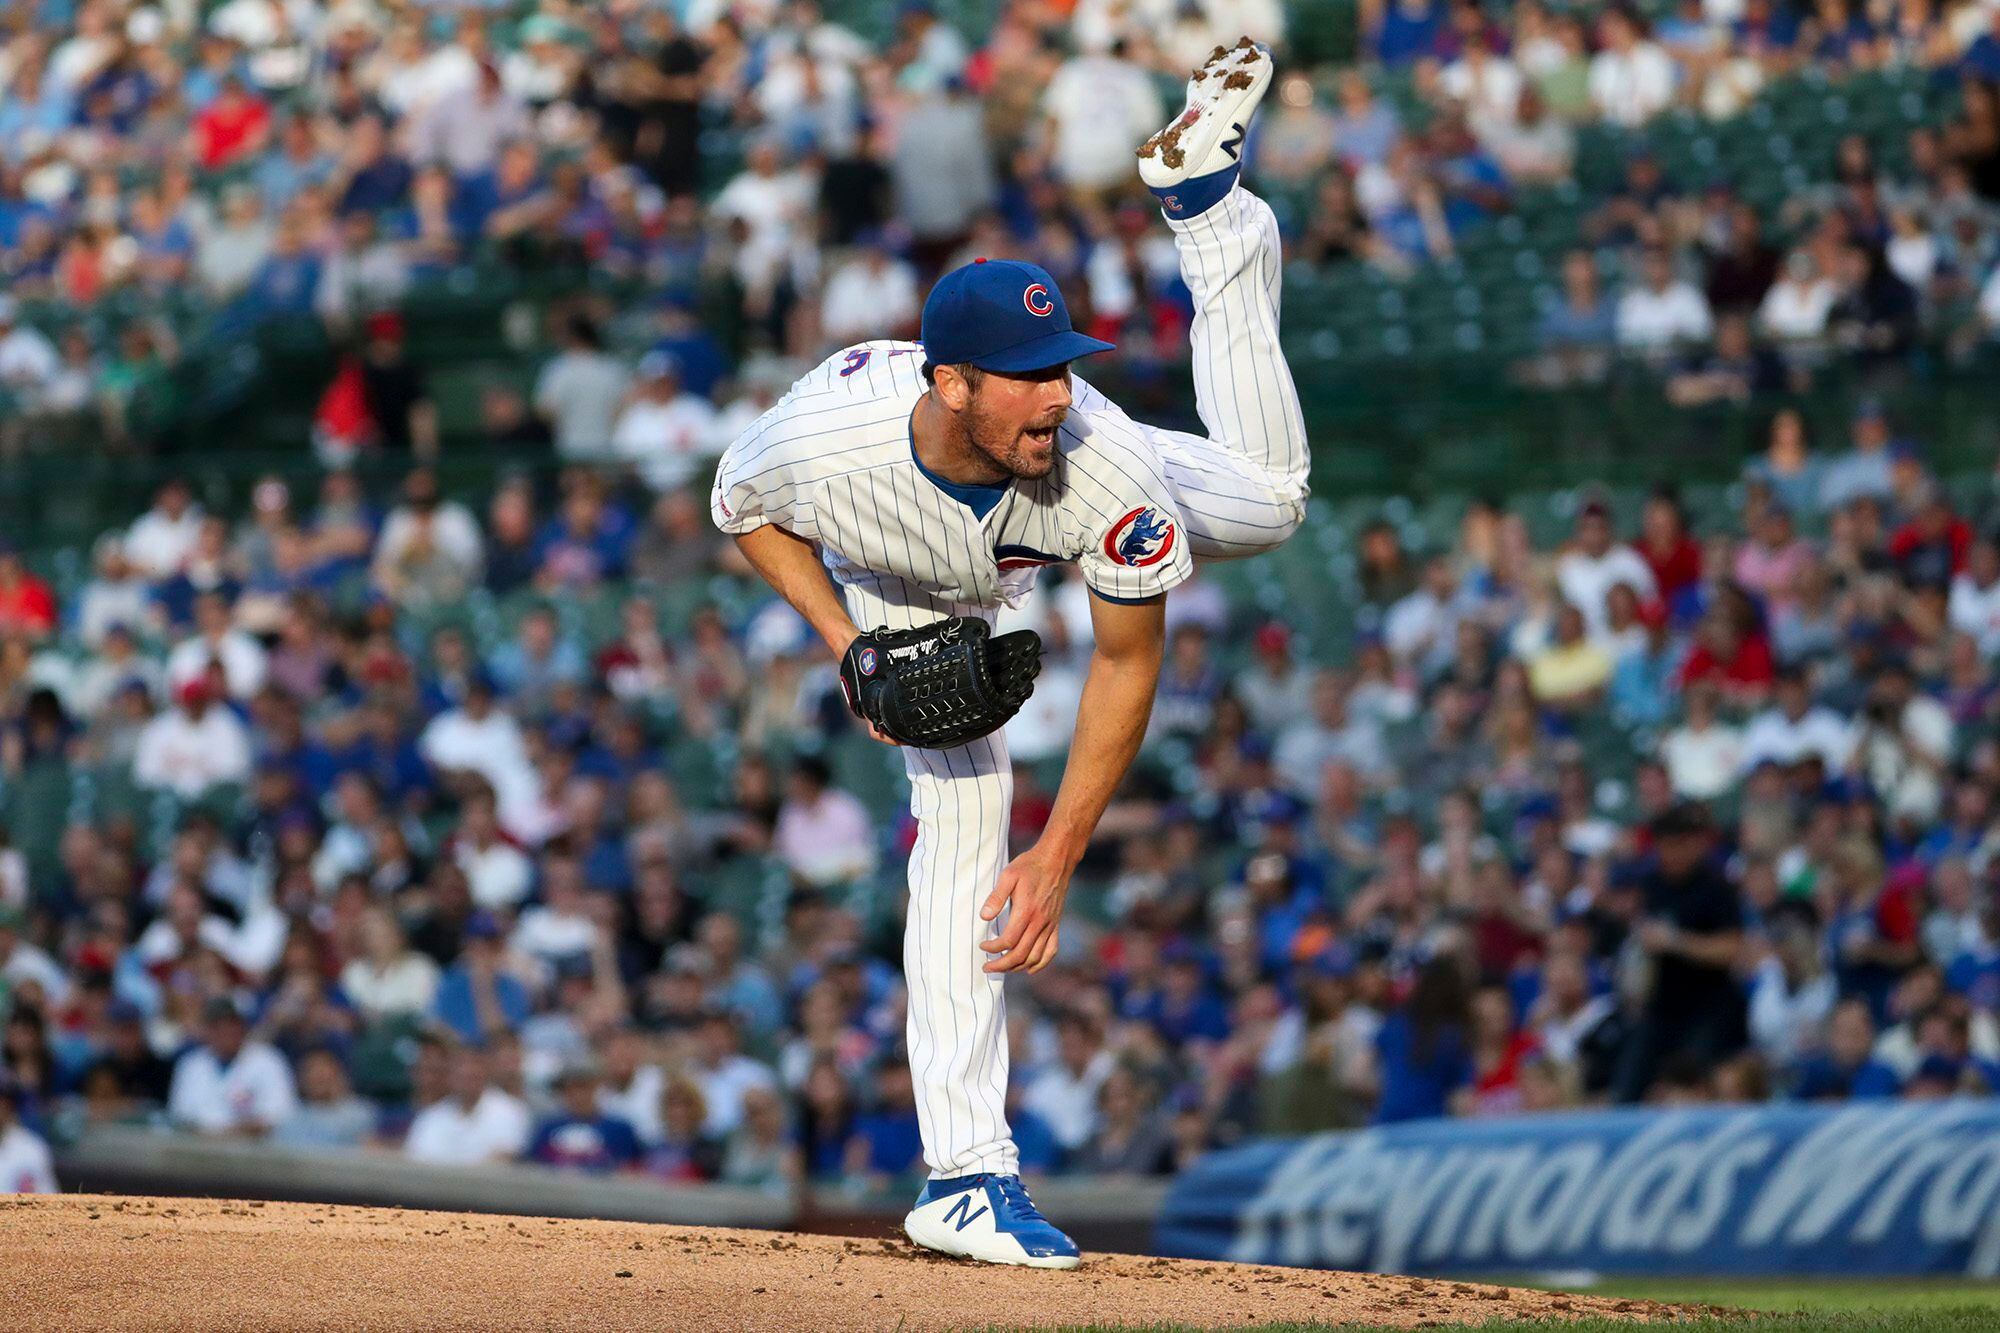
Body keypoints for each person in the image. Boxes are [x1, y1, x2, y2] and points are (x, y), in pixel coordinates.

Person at [710, 38, 1305, 1270]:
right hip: (894, 578)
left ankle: (1204, 209)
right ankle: (966, 1177)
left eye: (1063, 370)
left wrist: (1064, 849)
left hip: (1042, 534)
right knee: (969, 797)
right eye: (1028, 378)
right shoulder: (822, 437)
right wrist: (839, 644)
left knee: (1272, 499)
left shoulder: (1096, 455)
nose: (1056, 394)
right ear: (951, 381)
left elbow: (1129, 662)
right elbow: (739, 510)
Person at [167, 997, 299, 1136]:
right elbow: (179, 1116)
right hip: (199, 1147)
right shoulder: (191, 1064)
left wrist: (232, 1132)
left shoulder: (268, 1060)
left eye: (232, 1024)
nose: (226, 1031)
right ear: (207, 1030)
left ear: (242, 1026)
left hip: (253, 1150)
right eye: (217, 1026)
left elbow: (280, 1115)